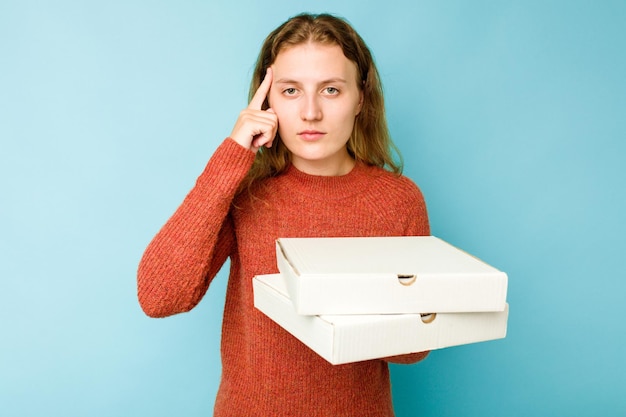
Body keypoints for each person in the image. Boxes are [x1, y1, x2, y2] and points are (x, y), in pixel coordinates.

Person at [137, 12, 430, 417]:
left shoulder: (398, 201)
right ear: (266, 99)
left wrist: (338, 294)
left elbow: (415, 349)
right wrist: (231, 158)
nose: (310, 112)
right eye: (291, 91)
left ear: (360, 98)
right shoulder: (244, 193)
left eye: (330, 89)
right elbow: (159, 296)